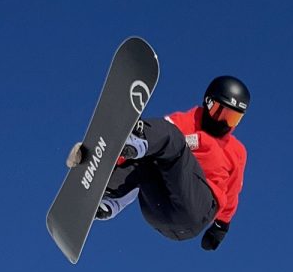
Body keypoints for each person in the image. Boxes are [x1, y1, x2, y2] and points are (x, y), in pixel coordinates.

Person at [91, 75, 250, 250]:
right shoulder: (184, 122)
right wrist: (102, 160)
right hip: (160, 211)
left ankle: (136, 138)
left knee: (169, 139)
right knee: (155, 149)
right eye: (220, 112)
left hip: (198, 208)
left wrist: (220, 229)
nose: (225, 123)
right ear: (209, 102)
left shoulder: (237, 151)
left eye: (233, 118)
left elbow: (232, 193)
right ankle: (108, 198)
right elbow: (159, 138)